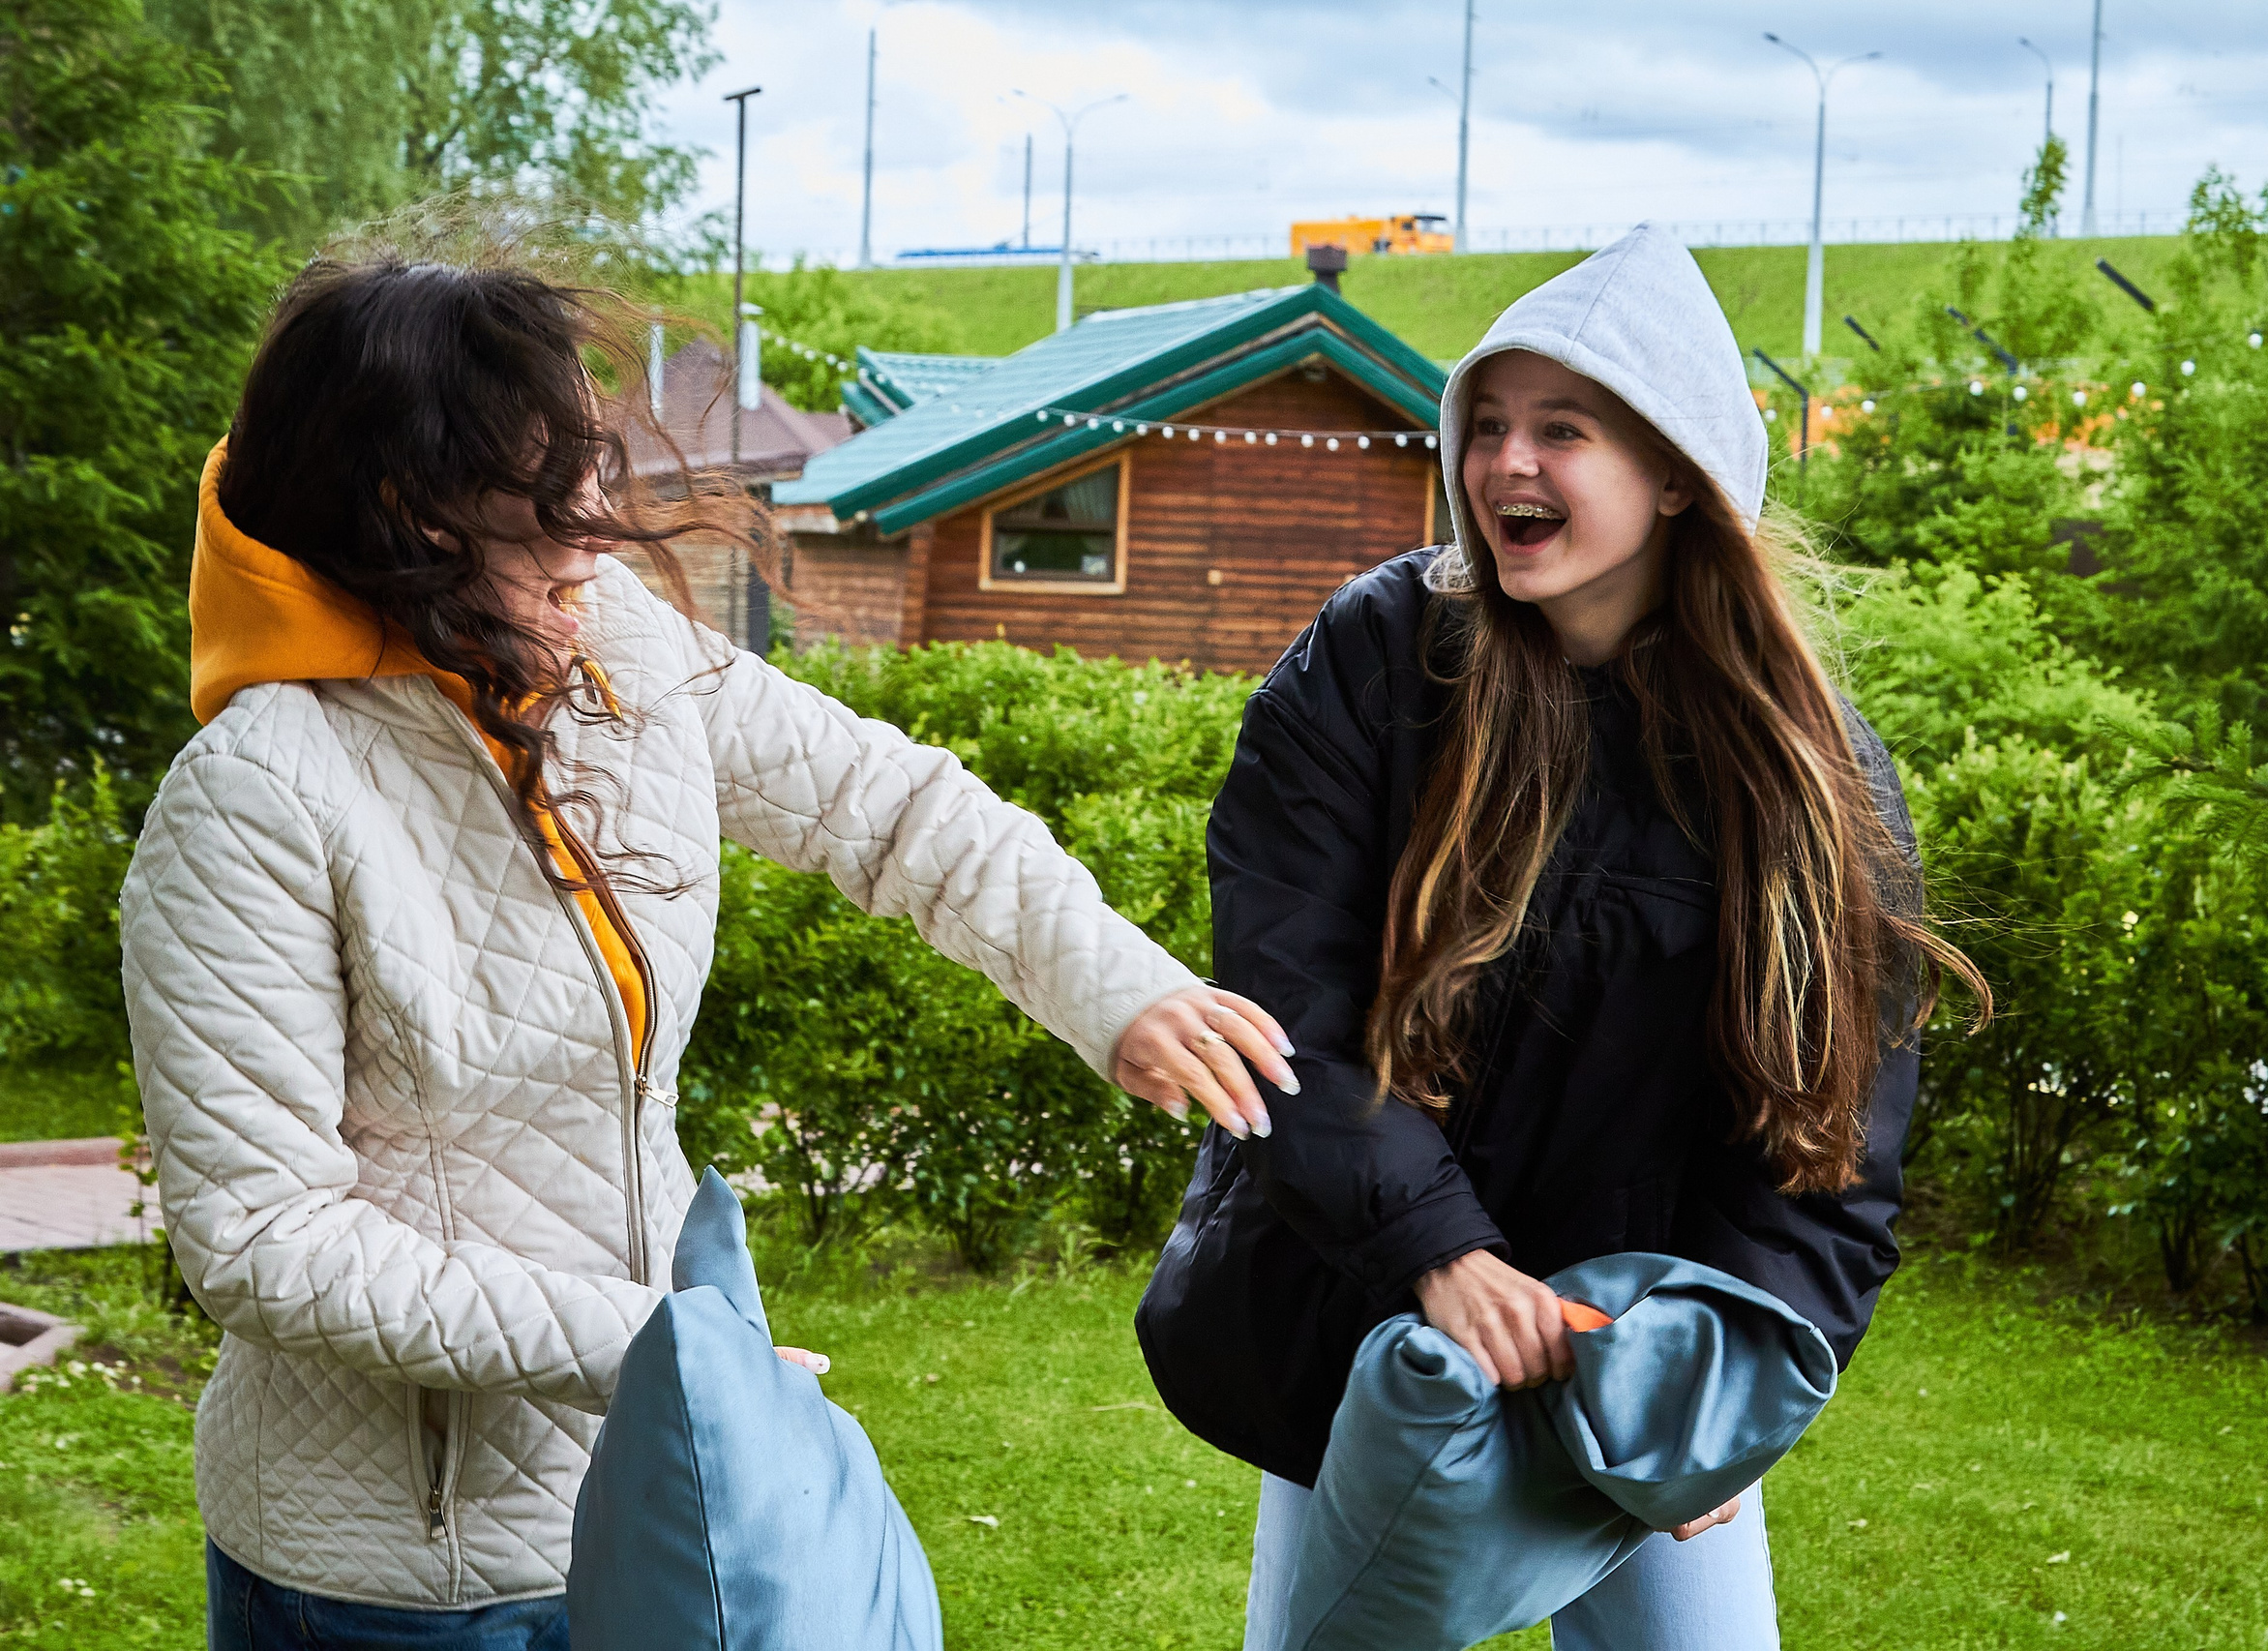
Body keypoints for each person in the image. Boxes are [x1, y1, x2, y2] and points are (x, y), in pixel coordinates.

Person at [120, 248, 1293, 1651]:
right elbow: (266, 1239)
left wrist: (1119, 986)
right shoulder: (257, 791)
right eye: (543, 504)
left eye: (591, 475)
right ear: (407, 515)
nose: (598, 539)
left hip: (646, 1507)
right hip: (394, 1578)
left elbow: (894, 809)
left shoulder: (616, 651)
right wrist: (652, 1345)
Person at [1137, 223, 1984, 1650]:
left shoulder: (1812, 770)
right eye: (1489, 424)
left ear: (1675, 473)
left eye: (1564, 430)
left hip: (1631, 1358)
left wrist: (1724, 1381)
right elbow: (1290, 1011)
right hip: (1371, 1314)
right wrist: (1441, 1256)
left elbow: (1829, 1139)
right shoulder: (1374, 660)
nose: (1506, 463)